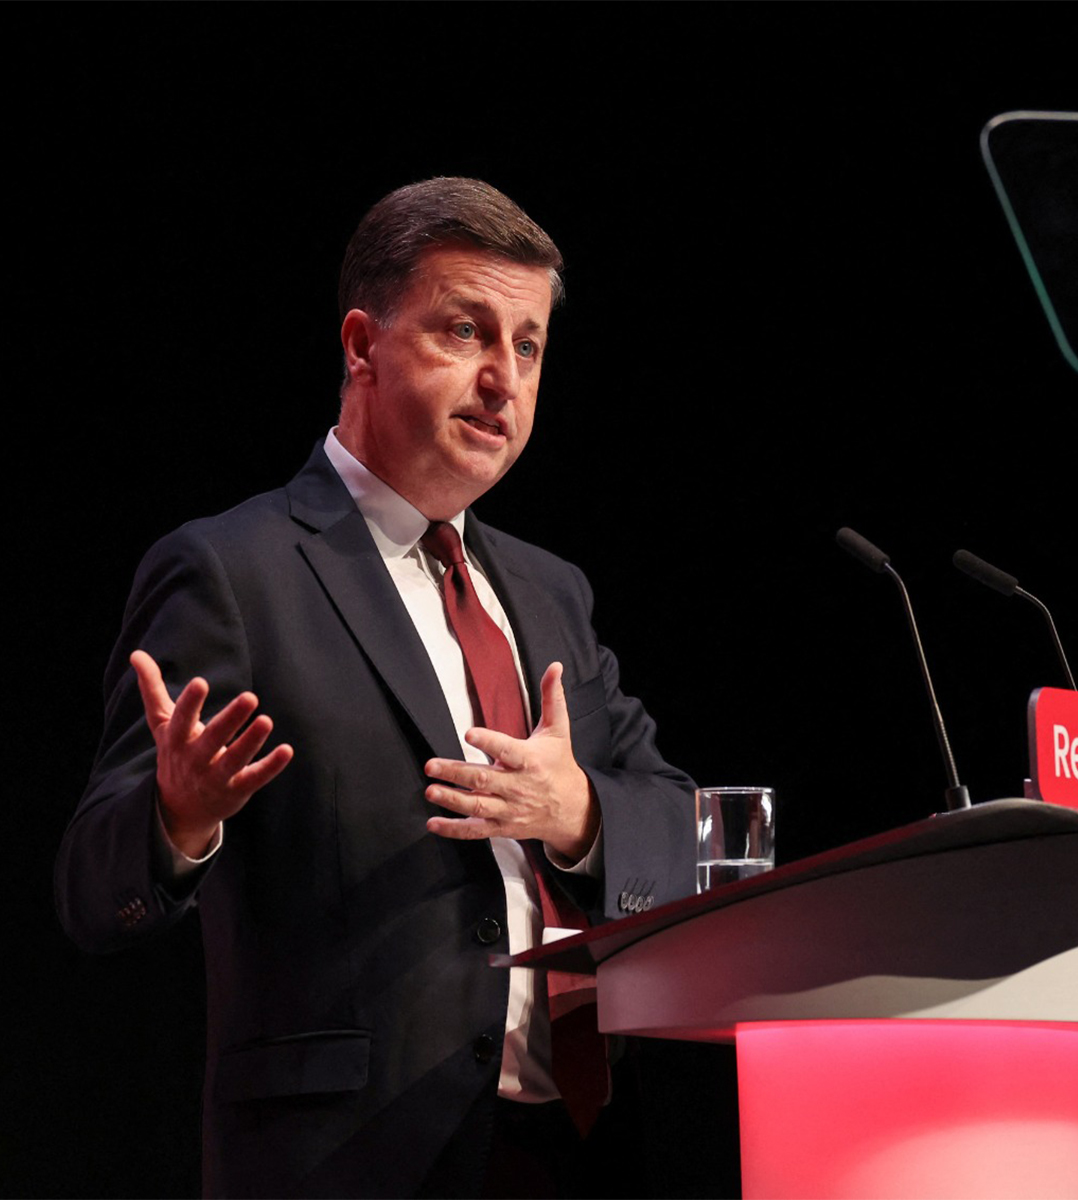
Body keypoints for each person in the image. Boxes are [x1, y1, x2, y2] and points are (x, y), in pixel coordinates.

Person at [56, 177, 696, 1198]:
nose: (503, 379)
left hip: (575, 1146)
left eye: (527, 346)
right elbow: (94, 891)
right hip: (353, 1161)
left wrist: (579, 817)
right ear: (361, 346)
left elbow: (687, 830)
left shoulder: (550, 592)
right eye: (465, 331)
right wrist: (177, 817)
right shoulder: (235, 572)